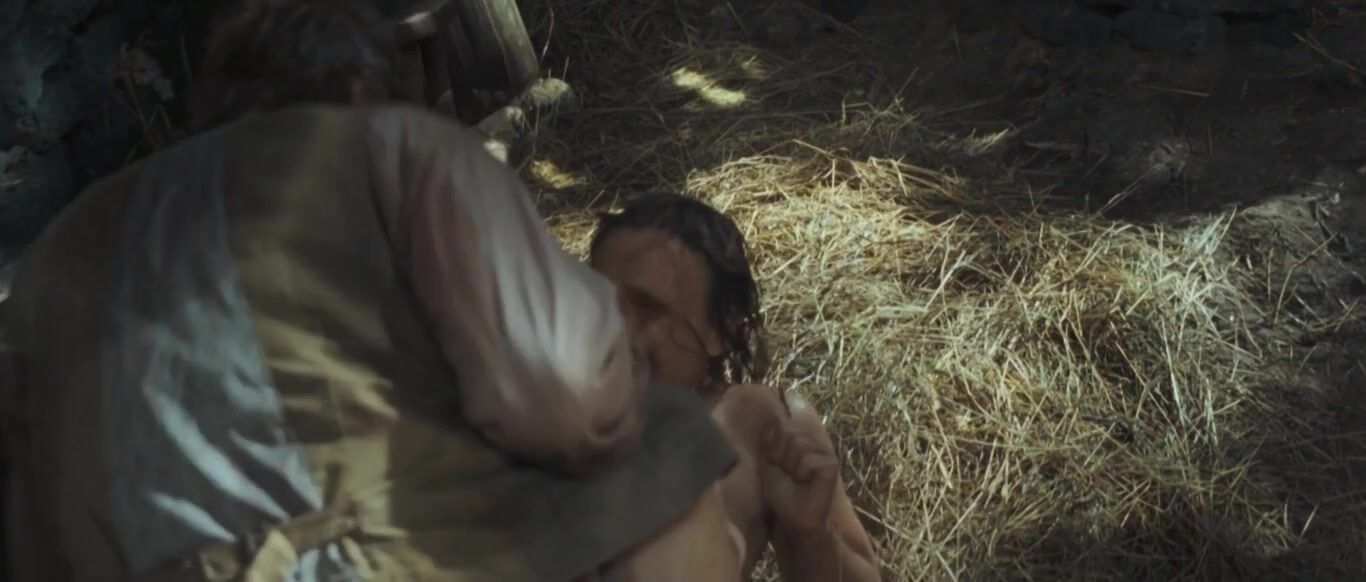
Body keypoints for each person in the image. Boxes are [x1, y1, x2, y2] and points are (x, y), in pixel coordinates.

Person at [1, 1, 741, 580]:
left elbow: (26, 519)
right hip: (320, 562)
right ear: (359, 89)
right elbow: (562, 402)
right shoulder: (398, 150)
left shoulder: (67, 237)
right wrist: (620, 364)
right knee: (668, 441)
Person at [589, 192, 882, 581]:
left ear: (720, 331)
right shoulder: (543, 415)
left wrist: (810, 536)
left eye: (646, 308)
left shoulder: (759, 426)